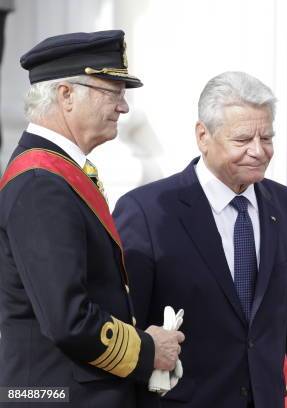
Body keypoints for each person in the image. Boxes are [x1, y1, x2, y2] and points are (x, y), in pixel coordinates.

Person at [113, 71, 287, 408]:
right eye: (243, 139)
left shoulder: (285, 204)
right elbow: (126, 330)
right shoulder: (147, 211)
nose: (258, 151)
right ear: (203, 136)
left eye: (266, 138)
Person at [0, 30, 184, 407]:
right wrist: (148, 351)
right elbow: (68, 319)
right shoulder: (41, 184)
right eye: (112, 92)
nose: (124, 107)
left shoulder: (56, 174)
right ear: (66, 95)